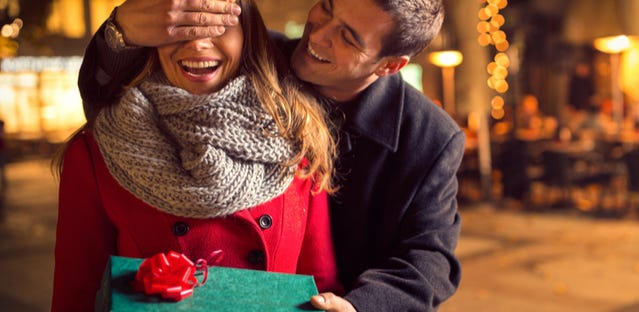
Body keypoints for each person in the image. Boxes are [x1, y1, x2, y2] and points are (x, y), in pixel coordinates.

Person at [76, 0, 464, 311]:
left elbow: (429, 258)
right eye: (327, 6)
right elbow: (119, 97)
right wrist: (120, 31)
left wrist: (358, 305)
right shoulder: (258, 54)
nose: (319, 33)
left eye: (346, 36)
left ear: (389, 66)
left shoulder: (431, 137)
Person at [52, 1, 340, 310]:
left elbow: (319, 284)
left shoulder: (296, 138)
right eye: (182, 27)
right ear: (153, 37)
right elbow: (76, 295)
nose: (199, 42)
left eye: (220, 25)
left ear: (247, 35)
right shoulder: (96, 153)